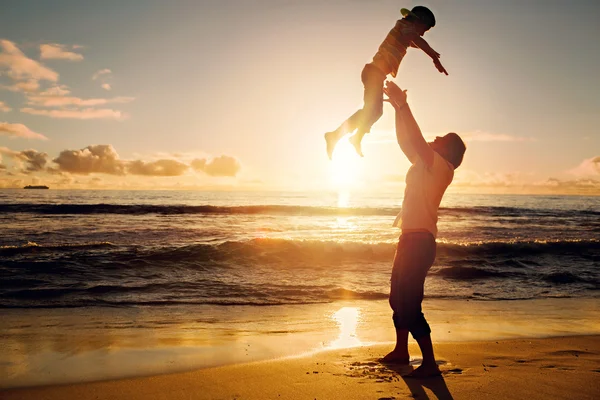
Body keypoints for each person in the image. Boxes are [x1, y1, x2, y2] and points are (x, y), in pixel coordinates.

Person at [381, 80, 466, 378]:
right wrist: (396, 109)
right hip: (408, 238)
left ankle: (429, 362)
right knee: (396, 297)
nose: (434, 138)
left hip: (420, 241)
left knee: (410, 300)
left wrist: (404, 105)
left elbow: (415, 139)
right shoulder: (424, 163)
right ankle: (401, 349)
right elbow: (406, 141)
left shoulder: (442, 167)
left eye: (440, 138)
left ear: (448, 151)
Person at [324, 6, 448, 160]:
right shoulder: (404, 26)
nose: (423, 33)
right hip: (374, 72)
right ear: (418, 20)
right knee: (372, 110)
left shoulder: (404, 33)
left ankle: (354, 137)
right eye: (424, 29)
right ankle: (335, 136)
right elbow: (417, 40)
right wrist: (433, 57)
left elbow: (413, 42)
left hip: (376, 74)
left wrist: (429, 51)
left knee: (375, 111)